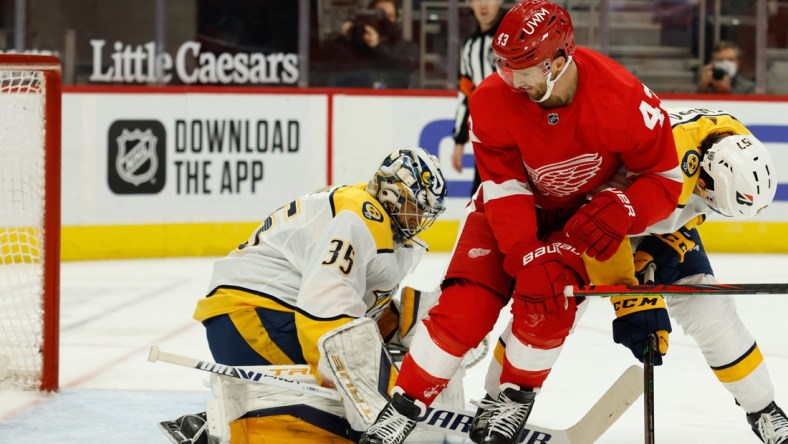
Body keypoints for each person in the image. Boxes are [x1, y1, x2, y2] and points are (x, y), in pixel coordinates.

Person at [359, 1, 684, 443]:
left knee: (548, 304)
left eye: (525, 69)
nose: (514, 81)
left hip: (580, 217)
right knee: (465, 308)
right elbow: (504, 186)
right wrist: (523, 251)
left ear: (560, 58)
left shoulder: (623, 97)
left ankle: (512, 398)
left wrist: (627, 208)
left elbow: (664, 179)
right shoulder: (492, 98)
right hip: (507, 211)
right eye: (506, 68)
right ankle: (405, 402)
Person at [474, 107, 788, 444]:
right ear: (706, 176)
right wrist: (630, 297)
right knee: (559, 300)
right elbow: (598, 217)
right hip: (587, 217)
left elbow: (694, 207)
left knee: (711, 310)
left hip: (648, 214)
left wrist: (663, 245)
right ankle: (504, 397)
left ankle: (764, 409)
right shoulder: (665, 156)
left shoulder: (732, 146)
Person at [159, 148, 447, 444]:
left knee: (341, 390)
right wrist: (375, 395)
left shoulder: (362, 209)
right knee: (346, 402)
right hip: (253, 317)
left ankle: (207, 426)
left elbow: (351, 298)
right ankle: (227, 430)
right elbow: (325, 303)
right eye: (416, 206)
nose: (420, 217)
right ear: (391, 194)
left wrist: (400, 323)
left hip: (246, 315)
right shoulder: (360, 217)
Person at [451, 0, 506, 197]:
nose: (483, 4)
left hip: (520, 138)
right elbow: (467, 95)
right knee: (481, 199)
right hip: (486, 140)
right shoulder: (470, 47)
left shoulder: (517, 35)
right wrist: (459, 140)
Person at [324, 0, 419, 88]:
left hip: (393, 101)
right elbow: (328, 67)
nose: (384, 21)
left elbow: (403, 71)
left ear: (397, 19)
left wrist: (377, 46)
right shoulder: (355, 44)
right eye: (379, 16)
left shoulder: (405, 47)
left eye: (389, 16)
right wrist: (345, 37)